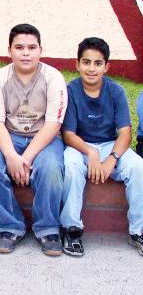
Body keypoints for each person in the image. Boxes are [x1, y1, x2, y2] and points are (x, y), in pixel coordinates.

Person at [0, 24, 68, 256]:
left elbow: (53, 124)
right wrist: (10, 155)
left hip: (44, 138)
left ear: (40, 50)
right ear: (10, 50)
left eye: (31, 47)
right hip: (9, 136)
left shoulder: (53, 77)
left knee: (50, 168)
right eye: (19, 47)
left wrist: (24, 159)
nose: (25, 53)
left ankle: (47, 227)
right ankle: (10, 226)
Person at [60, 37, 143, 257]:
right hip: (80, 146)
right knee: (69, 164)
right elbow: (68, 134)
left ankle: (138, 231)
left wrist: (112, 159)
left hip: (109, 146)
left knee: (138, 167)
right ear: (77, 64)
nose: (91, 68)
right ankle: (71, 228)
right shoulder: (71, 90)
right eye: (86, 62)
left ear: (106, 67)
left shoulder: (116, 91)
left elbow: (125, 132)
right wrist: (90, 152)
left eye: (97, 63)